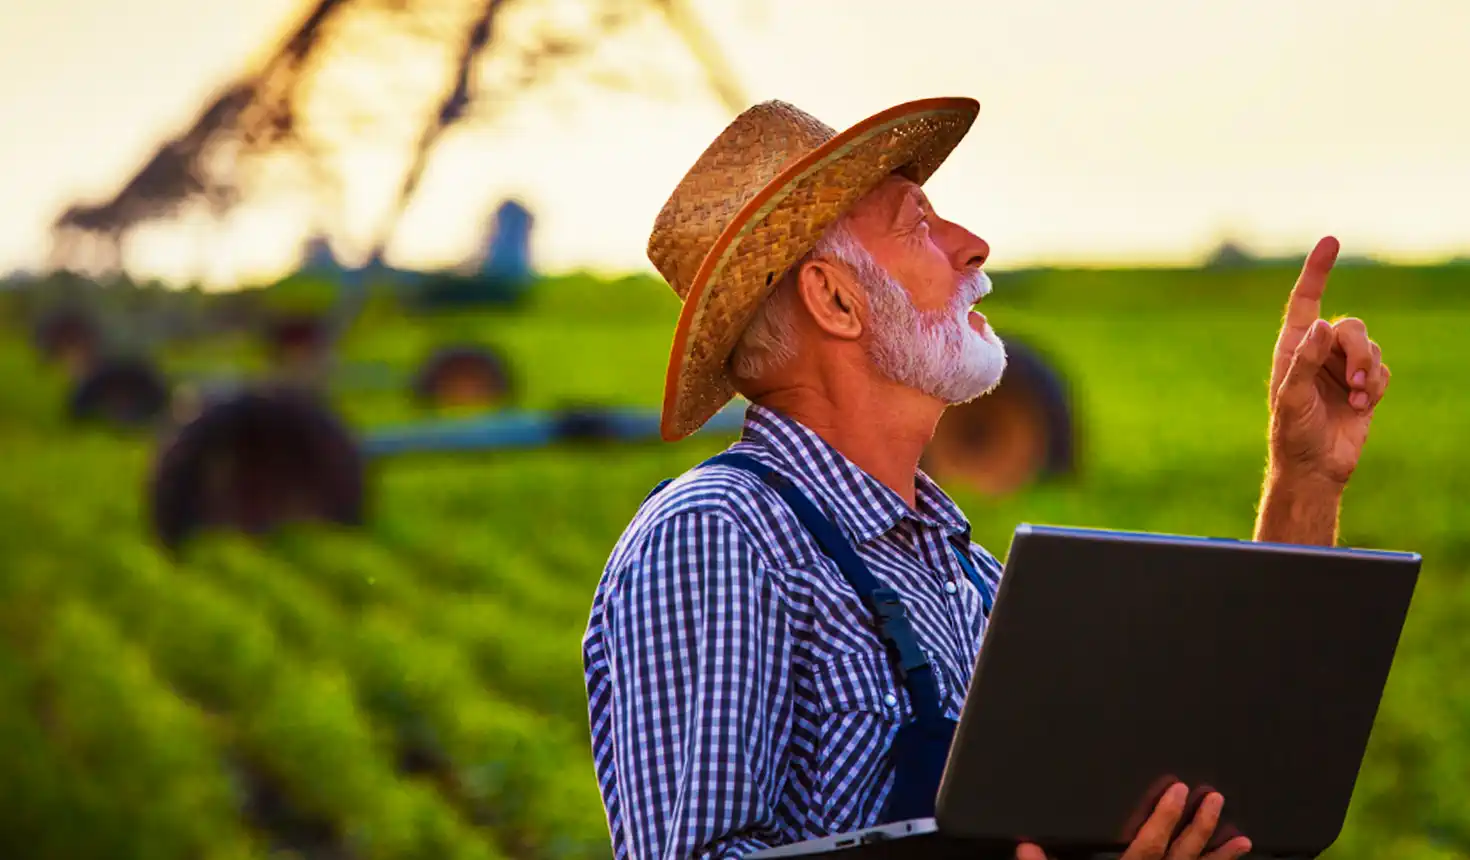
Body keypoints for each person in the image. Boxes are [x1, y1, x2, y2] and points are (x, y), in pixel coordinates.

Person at [580, 97, 1390, 860]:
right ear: (834, 298)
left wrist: (1305, 477)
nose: (971, 244)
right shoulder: (719, 536)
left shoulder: (968, 574)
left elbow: (1227, 773)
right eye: (918, 225)